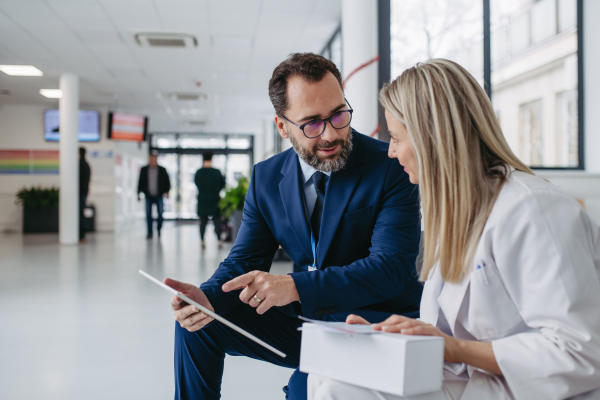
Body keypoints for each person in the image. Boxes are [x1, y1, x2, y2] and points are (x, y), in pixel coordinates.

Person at [308, 59, 600, 400]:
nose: (390, 151)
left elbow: (580, 351)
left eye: (397, 138)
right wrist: (390, 338)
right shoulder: (457, 211)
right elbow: (449, 333)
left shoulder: (533, 210)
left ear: (433, 139)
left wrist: (454, 348)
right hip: (472, 381)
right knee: (327, 375)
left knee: (337, 392)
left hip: (526, 389)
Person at [162, 53, 423, 400]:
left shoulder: (390, 165)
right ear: (282, 126)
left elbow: (390, 269)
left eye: (338, 115)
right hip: (308, 320)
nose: (331, 133)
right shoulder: (266, 178)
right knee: (198, 325)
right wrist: (207, 298)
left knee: (304, 392)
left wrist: (295, 286)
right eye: (312, 123)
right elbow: (244, 260)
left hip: (372, 322)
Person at [194, 151, 226, 249]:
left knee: (203, 221)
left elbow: (196, 184)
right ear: (211, 159)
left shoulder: (198, 172)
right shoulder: (217, 172)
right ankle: (219, 241)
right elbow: (223, 184)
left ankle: (202, 241)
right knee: (217, 221)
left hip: (202, 199)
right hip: (214, 199)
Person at [137, 154, 171, 239]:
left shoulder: (162, 170)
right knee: (148, 215)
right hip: (148, 196)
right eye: (150, 159)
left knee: (160, 213)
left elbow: (167, 182)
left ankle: (159, 229)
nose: (152, 161)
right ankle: (150, 232)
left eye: (153, 159)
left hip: (159, 195)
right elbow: (140, 182)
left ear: (156, 160)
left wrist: (167, 191)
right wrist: (138, 193)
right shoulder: (144, 169)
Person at [79, 147, 91, 242]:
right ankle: (81, 235)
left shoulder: (80, 165)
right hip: (84, 193)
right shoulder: (86, 165)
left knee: (80, 214)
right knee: (81, 213)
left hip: (80, 194)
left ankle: (81, 235)